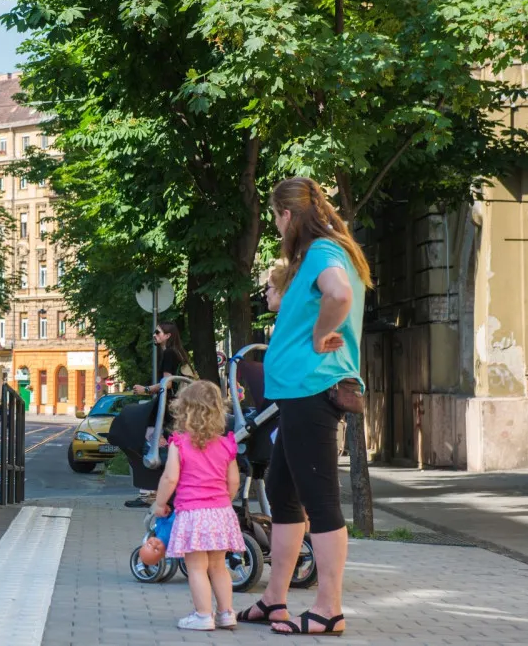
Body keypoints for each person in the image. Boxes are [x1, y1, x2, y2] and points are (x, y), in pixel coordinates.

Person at [236, 177, 370, 636]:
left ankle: (329, 608)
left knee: (320, 499)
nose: (276, 226)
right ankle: (275, 599)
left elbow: (339, 295)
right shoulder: (325, 251)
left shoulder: (322, 253)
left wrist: (316, 338)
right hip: (298, 392)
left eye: (276, 217)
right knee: (283, 489)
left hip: (312, 389)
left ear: (288, 215)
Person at [151, 381, 245, 631]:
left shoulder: (179, 443)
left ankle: (203, 615)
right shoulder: (227, 444)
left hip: (193, 513)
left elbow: (170, 478)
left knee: (196, 567)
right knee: (218, 566)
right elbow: (233, 480)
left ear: (184, 410)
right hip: (221, 512)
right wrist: (225, 499)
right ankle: (226, 613)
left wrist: (159, 504)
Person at [124, 322, 196, 508]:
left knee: (152, 442)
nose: (154, 335)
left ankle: (149, 492)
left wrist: (145, 389)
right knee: (165, 443)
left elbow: (168, 384)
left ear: (168, 335)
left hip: (168, 407)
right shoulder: (180, 353)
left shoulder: (170, 353)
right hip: (178, 408)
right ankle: (159, 490)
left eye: (158, 332)